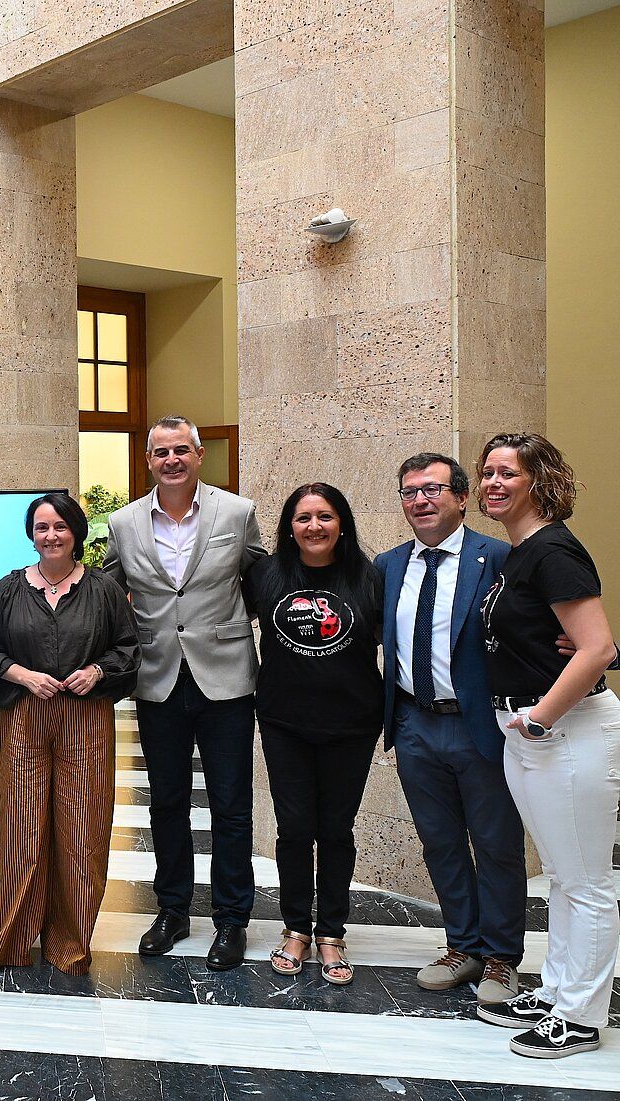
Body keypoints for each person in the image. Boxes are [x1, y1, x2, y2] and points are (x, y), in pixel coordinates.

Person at [103, 415, 266, 970]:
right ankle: (172, 910)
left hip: (227, 675)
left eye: (181, 450)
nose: (171, 460)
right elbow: (104, 594)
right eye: (160, 453)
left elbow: (263, 581)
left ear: (199, 455)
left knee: (231, 805)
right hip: (158, 677)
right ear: (148, 461)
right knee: (167, 801)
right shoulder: (122, 523)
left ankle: (231, 919)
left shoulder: (237, 513)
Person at [474, 433, 619, 1059]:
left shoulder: (554, 548)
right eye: (486, 473)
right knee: (562, 874)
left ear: (539, 480)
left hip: (568, 731)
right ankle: (562, 993)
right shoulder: (520, 554)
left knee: (587, 881)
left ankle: (582, 1018)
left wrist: (538, 720)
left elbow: (597, 648)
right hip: (532, 732)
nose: (493, 483)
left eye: (507, 472)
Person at [375, 454, 523, 1008]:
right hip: (414, 724)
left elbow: (541, 624)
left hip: (480, 727)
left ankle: (503, 956)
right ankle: (462, 946)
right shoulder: (388, 566)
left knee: (497, 844)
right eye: (410, 491)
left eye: (433, 489)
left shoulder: (500, 558)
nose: (421, 499)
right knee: (441, 843)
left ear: (462, 498)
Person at [0, 492, 139, 974]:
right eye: (42, 527)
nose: (51, 536)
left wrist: (99, 673)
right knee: (20, 829)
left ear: (77, 533)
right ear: (31, 534)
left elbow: (128, 648)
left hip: (85, 720)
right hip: (24, 716)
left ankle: (69, 942)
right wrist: (23, 676)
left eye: (61, 527)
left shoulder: (104, 590)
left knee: (81, 829)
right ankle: (9, 939)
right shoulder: (6, 590)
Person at [245, 483, 382, 985]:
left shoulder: (370, 577)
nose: (314, 527)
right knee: (294, 830)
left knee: (336, 830)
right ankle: (295, 929)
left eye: (324, 517)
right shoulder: (264, 575)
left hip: (352, 724)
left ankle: (332, 933)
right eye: (303, 518)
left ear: (341, 523)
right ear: (289, 527)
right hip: (285, 724)